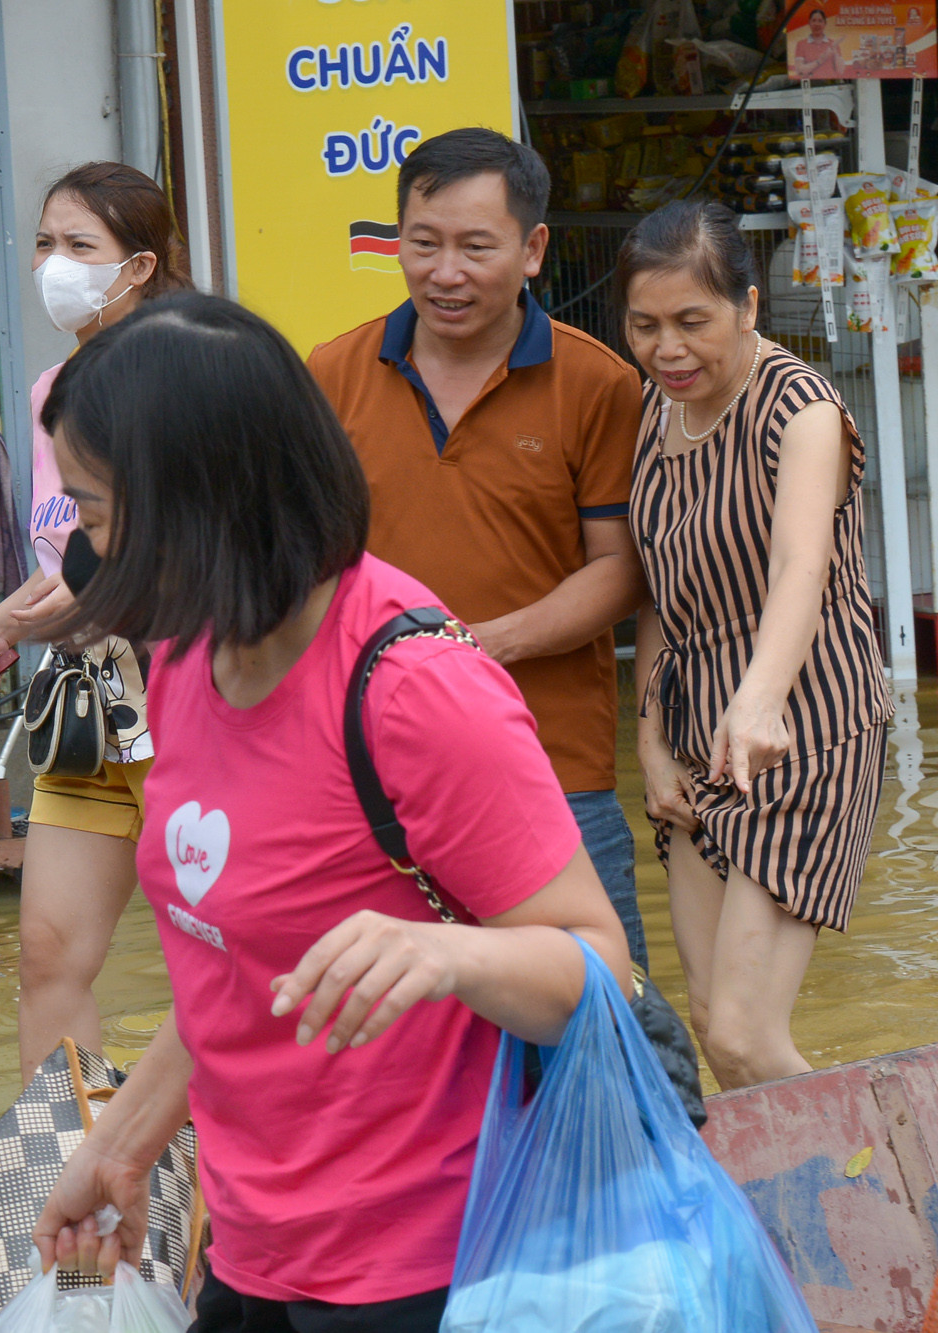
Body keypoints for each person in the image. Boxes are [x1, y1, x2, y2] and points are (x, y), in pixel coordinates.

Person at [26, 293, 630, 1333]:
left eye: (93, 512)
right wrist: (121, 1143)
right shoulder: (189, 659)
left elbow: (599, 966)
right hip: (251, 1250)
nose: (82, 551)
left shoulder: (412, 690)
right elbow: (237, 972)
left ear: (197, 500)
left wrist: (447, 954)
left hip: (435, 1267)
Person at [308, 128, 651, 969]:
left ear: (533, 250)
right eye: (423, 243)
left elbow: (620, 569)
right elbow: (305, 558)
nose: (445, 272)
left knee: (603, 1006)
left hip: (551, 762)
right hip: (370, 763)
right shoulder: (333, 373)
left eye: (475, 247)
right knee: (389, 1011)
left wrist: (478, 646)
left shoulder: (597, 382)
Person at [620, 202, 889, 1090]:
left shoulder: (801, 408)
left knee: (742, 1032)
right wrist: (652, 743)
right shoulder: (653, 412)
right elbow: (660, 586)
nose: (668, 349)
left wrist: (761, 698)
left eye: (692, 321)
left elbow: (799, 566)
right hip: (699, 734)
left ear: (747, 307)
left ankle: (892, 1166)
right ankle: (803, 1182)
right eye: (645, 325)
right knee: (708, 1022)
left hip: (804, 727)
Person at [0, 161, 193, 1076]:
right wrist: (2, 622)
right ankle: (66, 1148)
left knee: (221, 948)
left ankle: (222, 1151)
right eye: (45, 242)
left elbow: (191, 541)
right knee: (49, 954)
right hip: (84, 710)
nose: (53, 264)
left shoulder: (190, 370)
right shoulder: (51, 389)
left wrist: (73, 607)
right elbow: (70, 558)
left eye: (79, 245)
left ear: (140, 264)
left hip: (182, 697)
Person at [791, 8, 844, 78]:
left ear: (825, 23)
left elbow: (840, 71)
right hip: (810, 82)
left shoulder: (833, 43)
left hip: (831, 82)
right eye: (814, 20)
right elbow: (799, 71)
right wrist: (820, 60)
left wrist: (835, 52)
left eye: (820, 21)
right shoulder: (801, 44)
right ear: (809, 23)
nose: (817, 24)